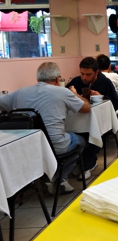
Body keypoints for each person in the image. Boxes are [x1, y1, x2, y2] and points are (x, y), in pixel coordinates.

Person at [0, 62, 90, 194]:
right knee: (80, 140)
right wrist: (74, 93)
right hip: (56, 146)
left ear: (38, 78)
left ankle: (46, 175)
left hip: (29, 146)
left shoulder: (20, 92)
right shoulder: (62, 92)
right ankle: (60, 178)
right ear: (58, 79)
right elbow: (86, 107)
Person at [67, 56, 118, 179]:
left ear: (96, 72)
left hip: (102, 120)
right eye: (82, 74)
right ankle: (82, 163)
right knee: (75, 134)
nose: (84, 78)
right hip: (78, 120)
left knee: (91, 133)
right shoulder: (76, 81)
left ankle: (87, 165)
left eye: (88, 74)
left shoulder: (105, 82)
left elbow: (117, 103)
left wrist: (103, 97)